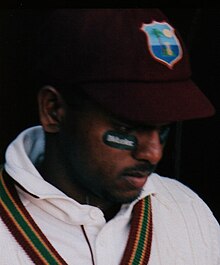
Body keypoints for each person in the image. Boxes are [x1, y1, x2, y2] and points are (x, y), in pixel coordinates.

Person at [0, 9, 219, 265]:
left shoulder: (187, 211)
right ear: (53, 110)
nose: (153, 153)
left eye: (163, 128)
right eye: (126, 128)